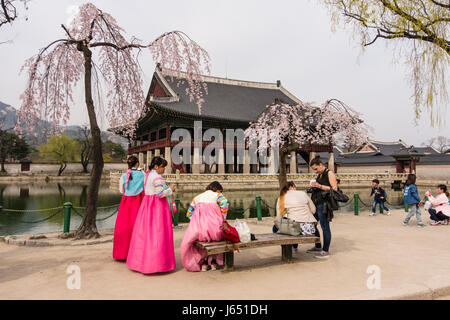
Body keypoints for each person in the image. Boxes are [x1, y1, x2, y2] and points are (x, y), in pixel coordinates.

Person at [126, 156, 176, 274]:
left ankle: (140, 261)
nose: (164, 169)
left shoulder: (148, 175)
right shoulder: (157, 177)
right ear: (156, 167)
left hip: (147, 205)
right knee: (158, 233)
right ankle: (157, 263)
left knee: (145, 233)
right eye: (163, 167)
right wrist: (170, 189)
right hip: (157, 207)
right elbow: (159, 194)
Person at [180, 181, 229, 272]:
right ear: (217, 189)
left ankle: (204, 263)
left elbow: (189, 213)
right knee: (219, 237)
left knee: (201, 240)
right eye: (220, 191)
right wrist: (222, 217)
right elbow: (225, 203)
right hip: (214, 229)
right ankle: (214, 261)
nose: (221, 193)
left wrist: (196, 221)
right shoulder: (217, 195)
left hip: (200, 230)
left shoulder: (197, 197)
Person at [113, 156, 145, 260]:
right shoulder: (143, 174)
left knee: (123, 226)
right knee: (138, 226)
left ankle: (122, 254)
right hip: (139, 202)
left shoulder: (123, 176)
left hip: (126, 203)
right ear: (137, 164)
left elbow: (121, 191)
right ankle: (137, 253)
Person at [307, 156, 338, 259]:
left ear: (321, 165)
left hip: (324, 204)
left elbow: (334, 189)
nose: (315, 171)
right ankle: (317, 245)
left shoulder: (330, 173)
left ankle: (325, 250)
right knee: (312, 223)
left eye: (316, 169)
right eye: (313, 170)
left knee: (325, 227)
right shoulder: (320, 175)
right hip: (316, 203)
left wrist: (319, 186)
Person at [274, 181, 317, 253]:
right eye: (295, 186)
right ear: (291, 187)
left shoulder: (281, 197)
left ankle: (290, 248)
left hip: (293, 229)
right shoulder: (303, 193)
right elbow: (313, 210)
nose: (295, 188)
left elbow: (279, 216)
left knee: (276, 228)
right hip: (308, 230)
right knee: (310, 221)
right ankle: (318, 246)